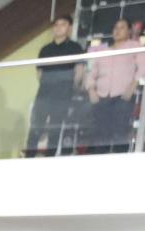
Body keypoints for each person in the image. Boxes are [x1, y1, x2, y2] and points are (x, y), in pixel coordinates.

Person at [86, 19, 145, 153]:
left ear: (129, 31)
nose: (117, 30)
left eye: (122, 27)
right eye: (115, 27)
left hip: (122, 97)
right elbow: (91, 72)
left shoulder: (135, 46)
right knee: (98, 136)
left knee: (120, 134)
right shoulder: (103, 50)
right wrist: (91, 90)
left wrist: (131, 88)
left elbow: (143, 67)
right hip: (101, 97)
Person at [28, 15, 86, 157]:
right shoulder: (45, 49)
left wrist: (72, 87)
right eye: (56, 24)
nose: (59, 27)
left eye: (63, 24)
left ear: (69, 27)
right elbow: (39, 72)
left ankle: (49, 158)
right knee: (36, 127)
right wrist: (47, 84)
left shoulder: (75, 47)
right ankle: (28, 158)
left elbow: (79, 71)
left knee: (55, 128)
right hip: (44, 92)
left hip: (63, 93)